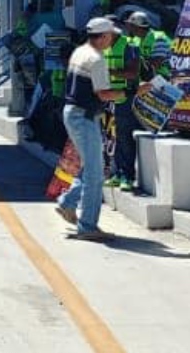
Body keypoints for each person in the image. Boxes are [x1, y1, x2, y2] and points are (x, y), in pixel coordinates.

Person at [54, 17, 125, 241]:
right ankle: (87, 226)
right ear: (103, 36)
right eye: (112, 35)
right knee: (95, 174)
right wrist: (130, 93)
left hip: (75, 114)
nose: (113, 39)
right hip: (83, 117)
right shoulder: (97, 59)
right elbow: (103, 94)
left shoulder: (81, 51)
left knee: (91, 167)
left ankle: (67, 203)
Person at [102, 16, 141, 192]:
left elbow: (133, 73)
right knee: (113, 138)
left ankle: (128, 175)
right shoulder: (105, 47)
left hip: (125, 99)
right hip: (109, 99)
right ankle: (117, 172)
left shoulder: (129, 46)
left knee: (125, 138)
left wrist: (108, 71)